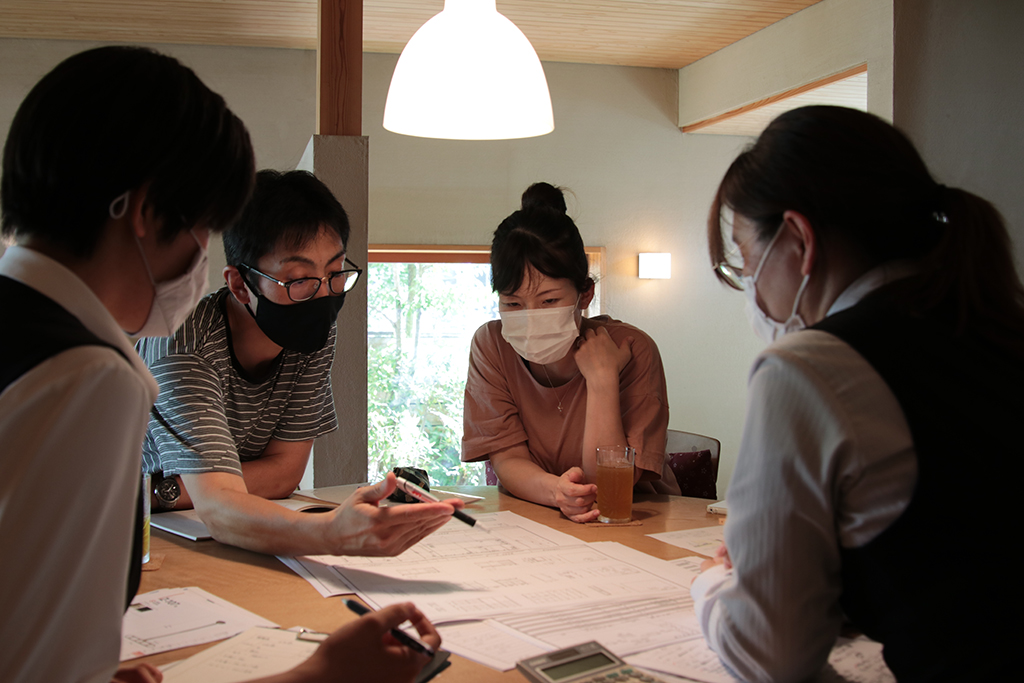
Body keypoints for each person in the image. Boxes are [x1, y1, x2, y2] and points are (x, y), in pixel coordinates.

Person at [0, 46, 442, 683]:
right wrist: (319, 676)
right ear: (147, 215)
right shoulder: (87, 377)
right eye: (202, 226)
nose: (199, 264)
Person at [691, 105, 1019, 681]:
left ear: (797, 239)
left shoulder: (809, 366)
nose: (755, 296)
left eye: (746, 261)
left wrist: (714, 585)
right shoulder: (995, 327)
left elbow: (771, 656)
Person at [137, 169, 461, 556]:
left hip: (216, 528)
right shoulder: (185, 348)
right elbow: (220, 509)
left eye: (336, 272)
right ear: (240, 284)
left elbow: (285, 472)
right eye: (299, 279)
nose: (323, 294)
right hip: (130, 537)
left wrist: (170, 491)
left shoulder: (310, 333)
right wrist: (331, 533)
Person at [461, 182, 678, 523]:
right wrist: (556, 492)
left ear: (585, 294)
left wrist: (603, 380)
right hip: (540, 515)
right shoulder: (492, 345)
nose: (531, 318)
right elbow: (508, 459)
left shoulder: (632, 349)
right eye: (513, 303)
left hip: (628, 520)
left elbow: (606, 487)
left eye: (549, 301)